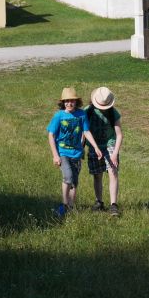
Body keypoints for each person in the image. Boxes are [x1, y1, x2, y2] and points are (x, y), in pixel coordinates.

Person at [47, 87, 103, 217]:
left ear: (76, 102)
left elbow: (86, 131)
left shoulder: (81, 114)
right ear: (63, 102)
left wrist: (95, 146)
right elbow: (51, 135)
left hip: (77, 153)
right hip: (63, 153)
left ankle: (70, 206)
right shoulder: (59, 116)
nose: (69, 103)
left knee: (74, 182)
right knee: (68, 177)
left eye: (72, 101)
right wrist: (55, 155)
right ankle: (64, 205)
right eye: (66, 101)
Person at [85, 87, 123, 216]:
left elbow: (119, 135)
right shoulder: (88, 111)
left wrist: (115, 153)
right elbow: (84, 131)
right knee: (97, 174)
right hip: (94, 146)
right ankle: (99, 202)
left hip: (110, 144)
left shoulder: (113, 113)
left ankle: (113, 205)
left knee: (113, 172)